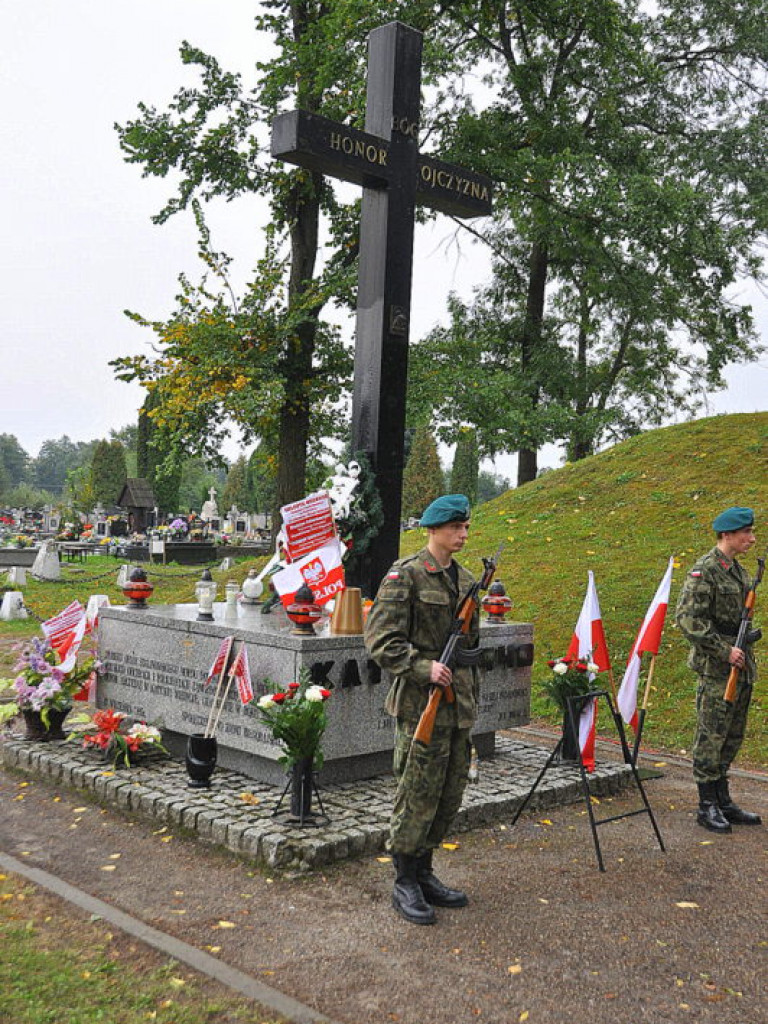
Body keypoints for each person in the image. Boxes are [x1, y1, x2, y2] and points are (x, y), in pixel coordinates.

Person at [364, 494, 479, 925]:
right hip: (419, 704)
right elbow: (380, 640)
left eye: (466, 527)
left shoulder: (467, 579)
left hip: (458, 704)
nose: (463, 534)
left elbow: (469, 646)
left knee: (449, 794)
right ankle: (405, 879)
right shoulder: (405, 575)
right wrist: (422, 666)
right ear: (433, 529)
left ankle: (426, 871)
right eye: (456, 528)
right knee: (417, 793)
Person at [675, 506, 762, 833]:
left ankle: (723, 798)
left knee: (732, 734)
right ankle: (706, 804)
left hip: (740, 665)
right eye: (746, 533)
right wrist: (725, 651)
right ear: (728, 534)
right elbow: (687, 621)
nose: (751, 539)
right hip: (717, 667)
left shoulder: (738, 572)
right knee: (711, 734)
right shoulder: (705, 570)